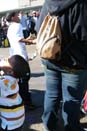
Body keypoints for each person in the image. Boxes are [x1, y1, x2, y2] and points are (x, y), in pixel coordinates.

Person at [35, 0, 87, 131]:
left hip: (50, 56)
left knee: (52, 94)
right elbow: (83, 34)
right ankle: (71, 128)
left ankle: (49, 125)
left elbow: (38, 28)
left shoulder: (48, 2)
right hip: (74, 62)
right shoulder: (80, 3)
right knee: (72, 99)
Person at [6, 11, 36, 110]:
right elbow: (19, 39)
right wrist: (31, 41)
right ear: (13, 17)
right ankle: (27, 102)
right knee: (24, 79)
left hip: (14, 55)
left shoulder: (10, 27)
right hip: (20, 56)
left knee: (20, 80)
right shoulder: (17, 25)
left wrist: (27, 39)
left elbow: (16, 40)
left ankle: (21, 101)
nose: (19, 17)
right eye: (17, 15)